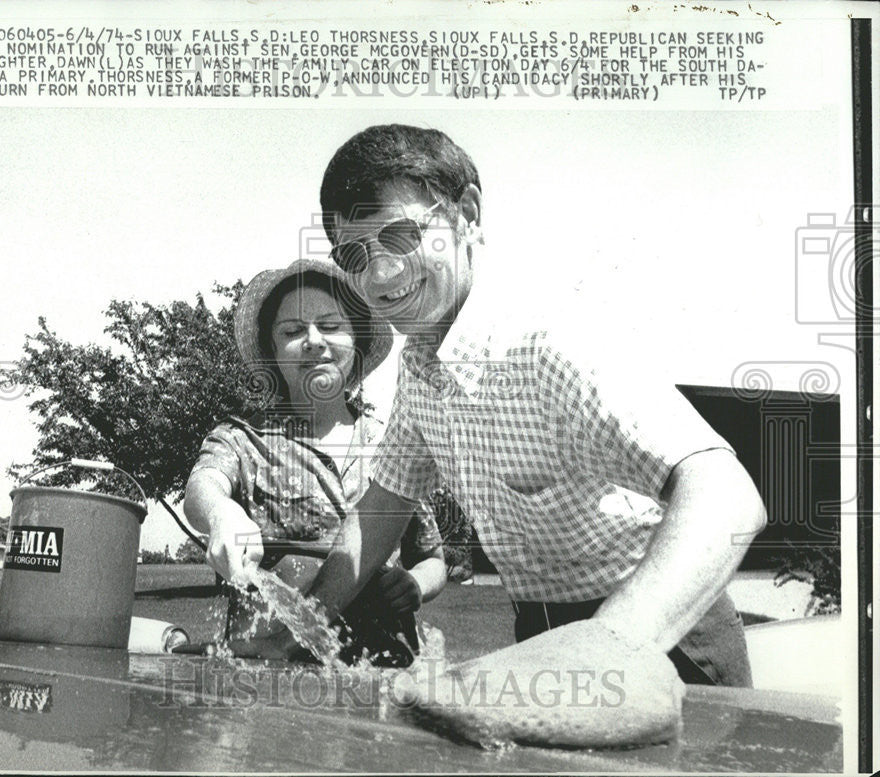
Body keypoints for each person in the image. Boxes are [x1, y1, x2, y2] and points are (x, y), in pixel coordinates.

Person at [236, 124, 766, 687]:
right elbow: (379, 512)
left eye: (399, 236)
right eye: (355, 253)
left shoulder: (549, 340)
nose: (380, 274)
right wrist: (302, 630)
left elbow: (726, 494)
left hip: (662, 638)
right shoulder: (420, 368)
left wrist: (607, 651)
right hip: (540, 637)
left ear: (467, 212)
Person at [183, 259, 447, 666]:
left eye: (330, 326)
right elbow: (204, 485)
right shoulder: (242, 439)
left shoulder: (394, 444)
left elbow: (433, 558)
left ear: (356, 340)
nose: (312, 341)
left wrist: (415, 583)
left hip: (384, 673)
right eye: (292, 331)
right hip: (267, 672)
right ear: (272, 351)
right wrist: (221, 513)